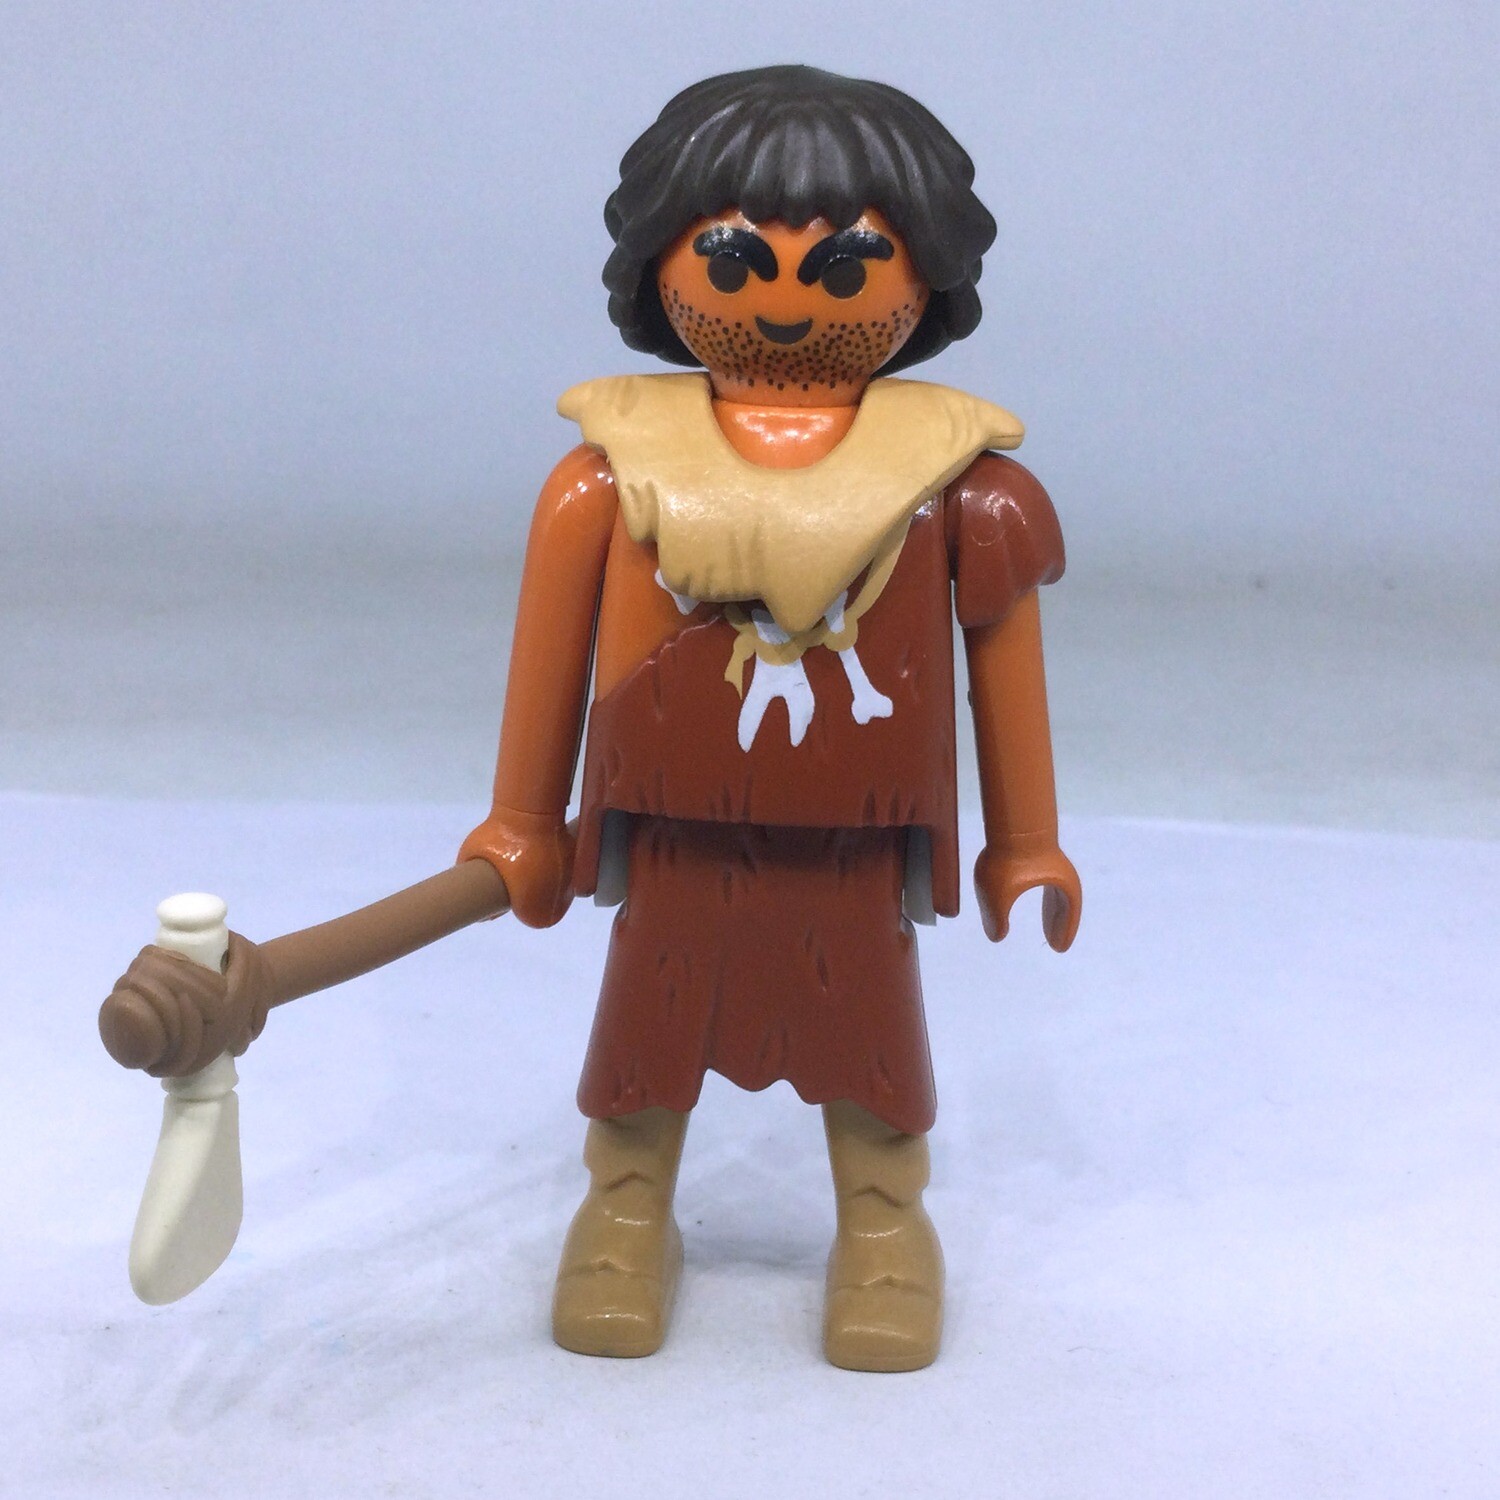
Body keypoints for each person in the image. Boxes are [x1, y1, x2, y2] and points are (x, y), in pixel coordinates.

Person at [100, 65, 1081, 1374]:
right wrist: (520, 821)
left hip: (854, 836)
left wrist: (1028, 842)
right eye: (734, 259)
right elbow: (551, 661)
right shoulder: (604, 483)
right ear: (662, 262)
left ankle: (886, 1225)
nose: (787, 299)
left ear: (927, 275)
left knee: (869, 1030)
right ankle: (624, 1212)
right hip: (670, 831)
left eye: (846, 266)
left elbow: (1003, 660)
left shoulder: (961, 493)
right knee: (646, 1028)